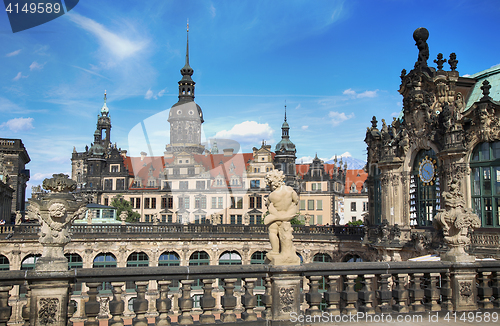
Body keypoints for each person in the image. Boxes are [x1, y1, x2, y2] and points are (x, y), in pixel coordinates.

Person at [264, 169, 299, 263]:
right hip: (287, 218)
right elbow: (296, 201)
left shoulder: (272, 195)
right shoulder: (290, 190)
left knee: (272, 232)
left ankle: (275, 251)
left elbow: (269, 206)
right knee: (286, 236)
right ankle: (285, 251)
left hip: (276, 219)